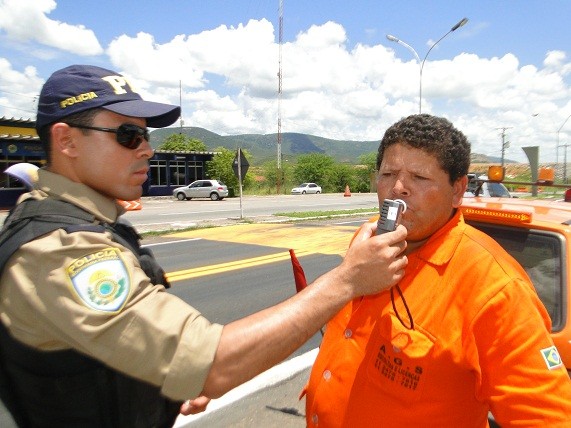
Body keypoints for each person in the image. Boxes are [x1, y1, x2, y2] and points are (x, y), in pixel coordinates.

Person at [0, 64, 408, 428]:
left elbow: (105, 352)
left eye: (145, 134)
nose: (147, 148)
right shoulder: (60, 251)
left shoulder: (80, 222)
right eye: (127, 135)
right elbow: (211, 362)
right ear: (67, 141)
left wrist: (156, 382)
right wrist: (348, 280)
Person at [304, 114, 571, 427]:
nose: (398, 188)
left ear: (457, 190)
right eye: (388, 174)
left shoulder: (496, 288)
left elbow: (547, 417)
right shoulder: (367, 240)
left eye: (419, 178)